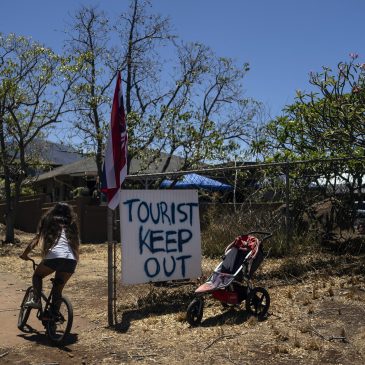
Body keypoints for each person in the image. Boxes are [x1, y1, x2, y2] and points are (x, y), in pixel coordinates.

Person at [19, 202, 80, 309]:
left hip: (54, 256)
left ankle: (36, 299)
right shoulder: (71, 223)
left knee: (37, 276)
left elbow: (36, 240)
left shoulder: (49, 220)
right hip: (71, 260)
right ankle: (53, 316)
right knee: (58, 290)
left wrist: (25, 254)